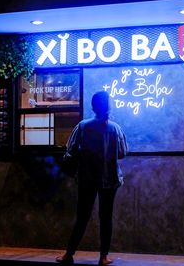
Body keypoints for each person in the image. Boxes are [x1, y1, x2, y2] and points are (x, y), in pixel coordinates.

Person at [56, 91, 128, 265]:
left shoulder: (82, 126)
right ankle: (103, 257)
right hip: (109, 179)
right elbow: (122, 153)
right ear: (108, 107)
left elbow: (71, 151)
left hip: (87, 179)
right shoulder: (115, 128)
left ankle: (69, 254)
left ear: (93, 107)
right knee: (106, 217)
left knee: (82, 216)